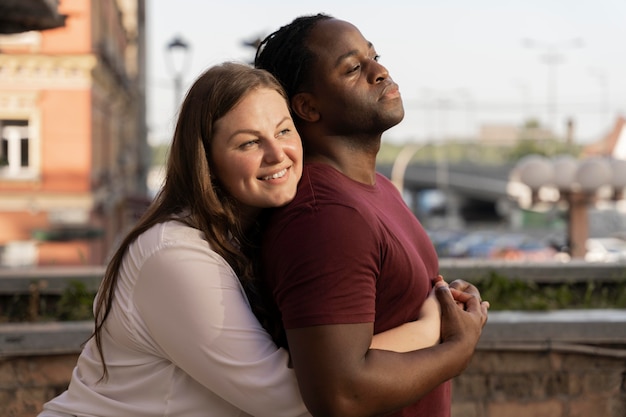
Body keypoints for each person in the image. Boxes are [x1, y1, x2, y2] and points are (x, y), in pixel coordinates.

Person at [38, 62, 447, 417]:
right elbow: (290, 397)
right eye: (249, 142)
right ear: (207, 160)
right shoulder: (174, 254)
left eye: (284, 130)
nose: (277, 153)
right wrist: (431, 329)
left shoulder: (253, 235)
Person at [255, 14, 490, 417]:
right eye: (353, 68)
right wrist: (457, 348)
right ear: (307, 107)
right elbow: (340, 393)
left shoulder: (379, 190)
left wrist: (445, 304)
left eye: (375, 56)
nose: (380, 71)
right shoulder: (325, 216)